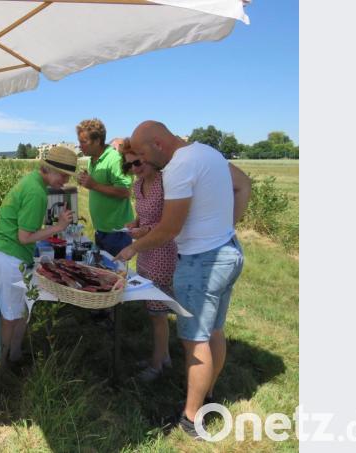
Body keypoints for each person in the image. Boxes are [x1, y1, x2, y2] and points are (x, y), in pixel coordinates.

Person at [115, 120, 251, 440]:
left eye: (144, 153)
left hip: (200, 262)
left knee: (194, 341)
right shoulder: (208, 153)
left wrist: (132, 247)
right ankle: (207, 396)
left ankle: (191, 420)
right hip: (228, 252)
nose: (143, 161)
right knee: (213, 331)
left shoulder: (177, 168)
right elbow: (243, 184)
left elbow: (169, 229)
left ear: (159, 145)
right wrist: (224, 228)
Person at [0, 146, 76, 369]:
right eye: (63, 175)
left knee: (21, 308)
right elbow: (25, 237)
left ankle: (14, 354)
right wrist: (59, 227)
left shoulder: (33, 182)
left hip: (7, 253)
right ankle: (2, 363)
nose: (65, 182)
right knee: (10, 313)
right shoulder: (36, 193)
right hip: (10, 257)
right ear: (49, 170)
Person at [118, 144, 177, 383]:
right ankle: (163, 356)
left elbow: (169, 224)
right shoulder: (137, 185)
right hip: (145, 251)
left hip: (162, 251)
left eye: (137, 163)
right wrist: (135, 224)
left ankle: (156, 365)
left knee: (158, 313)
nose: (133, 168)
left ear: (150, 159)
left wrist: (145, 231)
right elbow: (143, 215)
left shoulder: (166, 183)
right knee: (153, 310)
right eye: (129, 165)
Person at [75, 119, 134, 256]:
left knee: (115, 274)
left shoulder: (115, 159)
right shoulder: (92, 160)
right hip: (101, 230)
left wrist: (94, 185)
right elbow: (99, 186)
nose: (80, 146)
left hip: (117, 232)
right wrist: (86, 181)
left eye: (84, 142)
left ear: (97, 141)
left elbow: (125, 192)